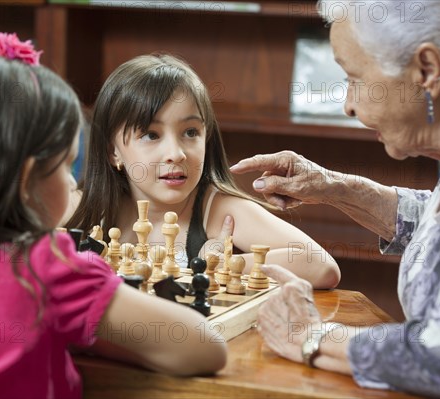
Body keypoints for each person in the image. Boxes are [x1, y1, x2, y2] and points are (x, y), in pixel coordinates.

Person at [0, 33, 227, 399]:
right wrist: (89, 331)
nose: (71, 182)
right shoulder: (45, 266)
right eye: (67, 165)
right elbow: (203, 347)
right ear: (27, 178)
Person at [231, 1, 440, 397]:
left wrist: (313, 336)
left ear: (427, 70)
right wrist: (331, 186)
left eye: (355, 78)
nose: (348, 105)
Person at [66, 54, 340, 289]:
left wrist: (222, 265)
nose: (176, 153)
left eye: (190, 132)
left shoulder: (219, 210)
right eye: (151, 134)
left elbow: (322, 267)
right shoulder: (85, 207)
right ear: (112, 151)